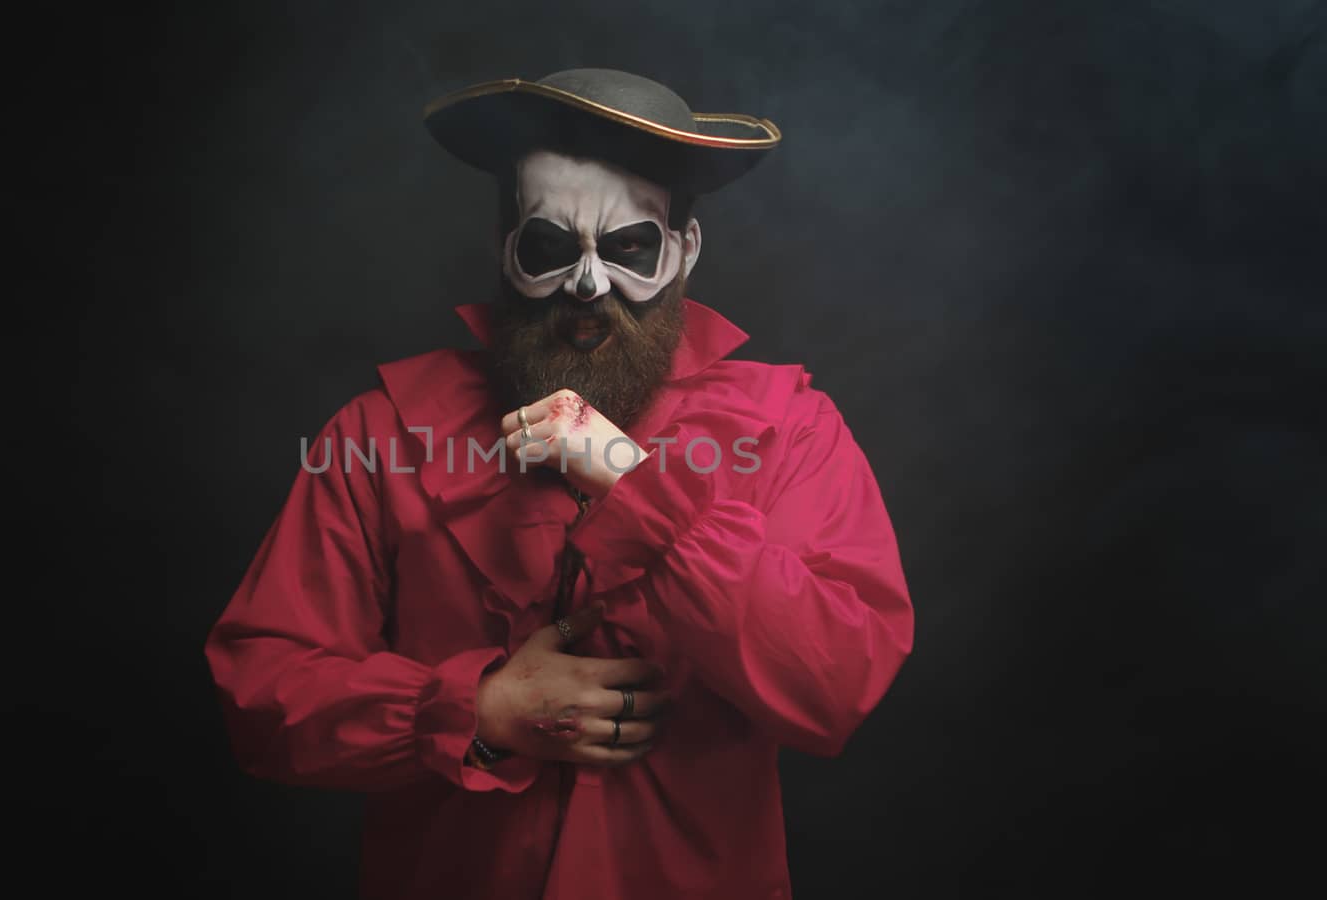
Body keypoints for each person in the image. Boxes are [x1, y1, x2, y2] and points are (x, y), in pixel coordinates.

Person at [205, 68, 915, 900]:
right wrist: (481, 708)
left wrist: (636, 488)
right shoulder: (378, 434)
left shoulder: (789, 428)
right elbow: (262, 693)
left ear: (683, 252)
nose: (588, 286)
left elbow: (835, 685)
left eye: (627, 250)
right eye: (550, 247)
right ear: (506, 251)